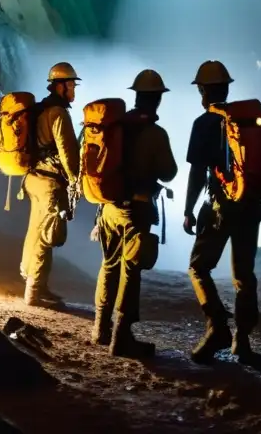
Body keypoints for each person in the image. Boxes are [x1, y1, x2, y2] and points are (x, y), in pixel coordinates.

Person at [92, 69, 178, 358]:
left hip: (108, 209)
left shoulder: (114, 127)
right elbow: (169, 172)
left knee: (108, 265)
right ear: (157, 100)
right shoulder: (155, 133)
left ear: (136, 96)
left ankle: (100, 329)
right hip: (136, 210)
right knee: (131, 271)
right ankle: (121, 337)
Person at [183, 59, 261, 364]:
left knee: (198, 267)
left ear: (202, 90)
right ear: (227, 88)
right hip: (252, 206)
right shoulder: (246, 120)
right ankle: (241, 342)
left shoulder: (203, 124)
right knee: (244, 275)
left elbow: (197, 172)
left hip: (220, 207)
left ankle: (217, 324)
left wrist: (188, 209)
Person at [21, 61, 81, 308]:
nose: (74, 90)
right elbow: (67, 151)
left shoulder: (40, 109)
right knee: (46, 236)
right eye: (71, 85)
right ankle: (33, 293)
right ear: (61, 86)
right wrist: (76, 179)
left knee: (36, 232)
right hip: (49, 182)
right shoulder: (58, 113)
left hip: (33, 178)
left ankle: (38, 285)